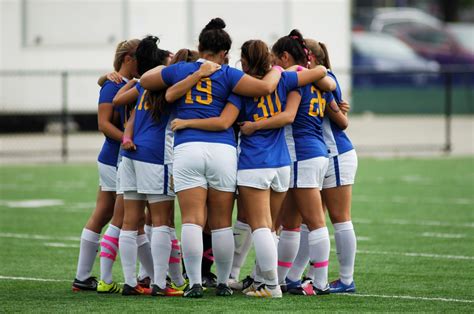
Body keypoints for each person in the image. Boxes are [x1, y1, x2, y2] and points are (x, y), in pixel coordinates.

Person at [170, 39, 330, 298]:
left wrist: (188, 122)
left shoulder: (241, 90)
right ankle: (265, 280)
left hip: (254, 164)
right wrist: (283, 71)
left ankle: (269, 285)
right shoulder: (284, 80)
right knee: (271, 227)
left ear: (244, 61)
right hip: (282, 164)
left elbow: (224, 122)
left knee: (260, 227)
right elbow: (322, 72)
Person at [140, 17, 283, 298]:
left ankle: (194, 283)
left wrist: (194, 73)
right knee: (221, 222)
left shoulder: (181, 69)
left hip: (187, 149)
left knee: (192, 219)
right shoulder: (229, 74)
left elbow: (146, 80)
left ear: (199, 45)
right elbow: (265, 88)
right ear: (224, 53)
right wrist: (278, 69)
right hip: (223, 150)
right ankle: (222, 284)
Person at [114, 38, 221, 296]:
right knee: (162, 221)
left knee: (130, 221)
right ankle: (159, 284)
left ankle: (130, 282)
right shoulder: (173, 86)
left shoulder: (146, 84)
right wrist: (199, 74)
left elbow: (123, 104)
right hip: (155, 155)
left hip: (131, 156)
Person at [270, 29, 347, 295]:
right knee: (290, 222)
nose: (272, 65)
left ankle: (320, 282)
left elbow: (288, 113)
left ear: (285, 56)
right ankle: (279, 279)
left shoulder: (292, 77)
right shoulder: (318, 77)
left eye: (274, 59)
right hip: (313, 153)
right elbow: (330, 86)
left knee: (314, 222)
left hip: (302, 153)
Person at [289, 39, 357, 293]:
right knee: (310, 220)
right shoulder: (314, 78)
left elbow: (342, 121)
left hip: (335, 152)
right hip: (321, 155)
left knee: (339, 219)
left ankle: (346, 280)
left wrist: (339, 111)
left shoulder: (322, 77)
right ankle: (300, 275)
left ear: (311, 59)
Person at [72, 38, 140, 292]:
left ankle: (83, 276)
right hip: (115, 158)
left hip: (120, 158)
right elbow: (103, 123)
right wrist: (126, 139)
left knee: (106, 214)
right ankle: (100, 277)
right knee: (118, 216)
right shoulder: (112, 86)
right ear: (127, 59)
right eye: (138, 57)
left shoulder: (124, 82)